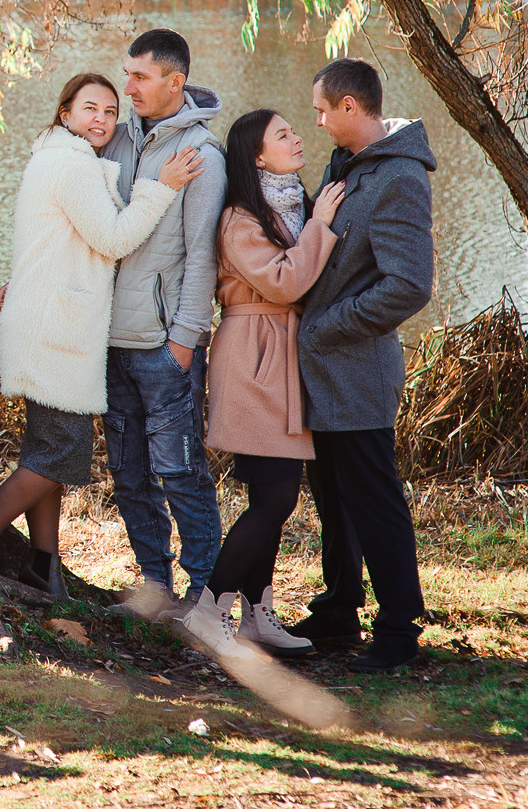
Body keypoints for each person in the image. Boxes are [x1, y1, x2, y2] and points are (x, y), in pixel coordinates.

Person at [0, 74, 197, 597]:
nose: (101, 119)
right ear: (65, 114)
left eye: (110, 111)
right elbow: (113, 237)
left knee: (48, 449)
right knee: (59, 452)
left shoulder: (58, 158)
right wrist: (162, 188)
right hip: (55, 331)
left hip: (49, 322)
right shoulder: (71, 165)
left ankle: (43, 565)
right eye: (90, 109)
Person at [291, 58, 436, 673]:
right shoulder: (346, 164)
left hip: (356, 371)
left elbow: (408, 286)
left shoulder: (399, 177)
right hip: (324, 372)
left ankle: (400, 629)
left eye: (323, 110)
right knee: (333, 497)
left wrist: (326, 327)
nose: (317, 121)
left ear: (352, 107)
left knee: (374, 500)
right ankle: (340, 608)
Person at [194, 109, 345, 659]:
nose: (297, 137)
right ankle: (209, 611)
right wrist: (320, 228)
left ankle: (257, 616)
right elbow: (282, 283)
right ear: (257, 156)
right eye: (282, 134)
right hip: (253, 356)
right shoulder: (240, 218)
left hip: (278, 354)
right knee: (276, 495)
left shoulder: (287, 204)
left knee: (270, 494)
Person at [101, 28, 229, 616]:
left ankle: (204, 593)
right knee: (128, 476)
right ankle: (154, 589)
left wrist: (185, 338)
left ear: (175, 82)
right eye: (127, 74)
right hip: (109, 339)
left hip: (163, 344)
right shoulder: (117, 139)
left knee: (179, 472)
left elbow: (203, 253)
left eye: (140, 77)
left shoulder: (202, 155)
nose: (128, 87)